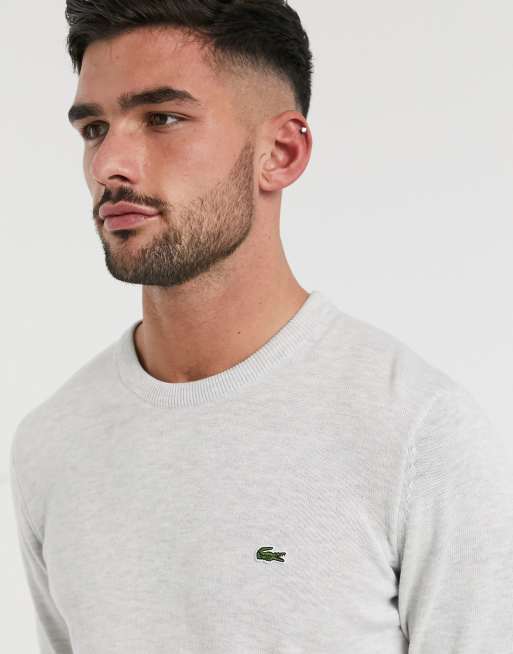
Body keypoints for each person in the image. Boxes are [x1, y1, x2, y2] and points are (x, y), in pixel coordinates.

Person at [9, 1, 512, 653]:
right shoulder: (52, 443)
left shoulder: (417, 432)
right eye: (94, 128)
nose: (110, 163)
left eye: (162, 118)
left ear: (281, 152)